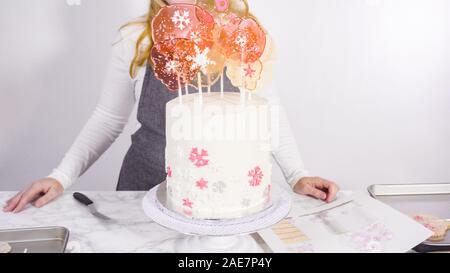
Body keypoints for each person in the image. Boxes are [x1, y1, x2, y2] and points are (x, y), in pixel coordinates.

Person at [3, 0, 339, 213]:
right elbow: (107, 119)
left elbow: (269, 108)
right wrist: (59, 176)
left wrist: (297, 174)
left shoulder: (238, 36)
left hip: (228, 196)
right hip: (144, 185)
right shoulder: (135, 38)